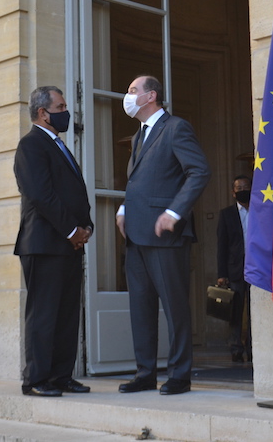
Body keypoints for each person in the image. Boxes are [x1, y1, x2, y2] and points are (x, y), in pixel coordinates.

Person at [116, 75, 211, 395]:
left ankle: (180, 375)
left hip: (167, 235)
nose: (127, 97)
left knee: (175, 307)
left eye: (132, 91)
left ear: (150, 96)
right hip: (136, 234)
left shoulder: (176, 128)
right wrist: (124, 209)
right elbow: (141, 181)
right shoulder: (137, 136)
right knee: (140, 307)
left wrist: (174, 212)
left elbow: (198, 171)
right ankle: (145, 373)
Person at [14, 86, 94, 397]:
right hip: (44, 244)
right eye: (60, 106)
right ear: (43, 113)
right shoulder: (31, 145)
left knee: (66, 314)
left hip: (67, 244)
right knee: (44, 314)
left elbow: (74, 193)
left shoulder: (58, 145)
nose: (66, 111)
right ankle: (35, 379)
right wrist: (72, 231)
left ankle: (62, 376)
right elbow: (41, 195)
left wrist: (84, 226)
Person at [216, 175, 253, 363]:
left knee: (255, 312)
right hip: (235, 270)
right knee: (235, 313)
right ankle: (236, 348)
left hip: (256, 269)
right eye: (239, 188)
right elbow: (221, 245)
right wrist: (221, 274)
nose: (242, 190)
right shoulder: (226, 214)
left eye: (246, 187)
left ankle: (253, 348)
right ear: (233, 192)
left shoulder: (260, 210)